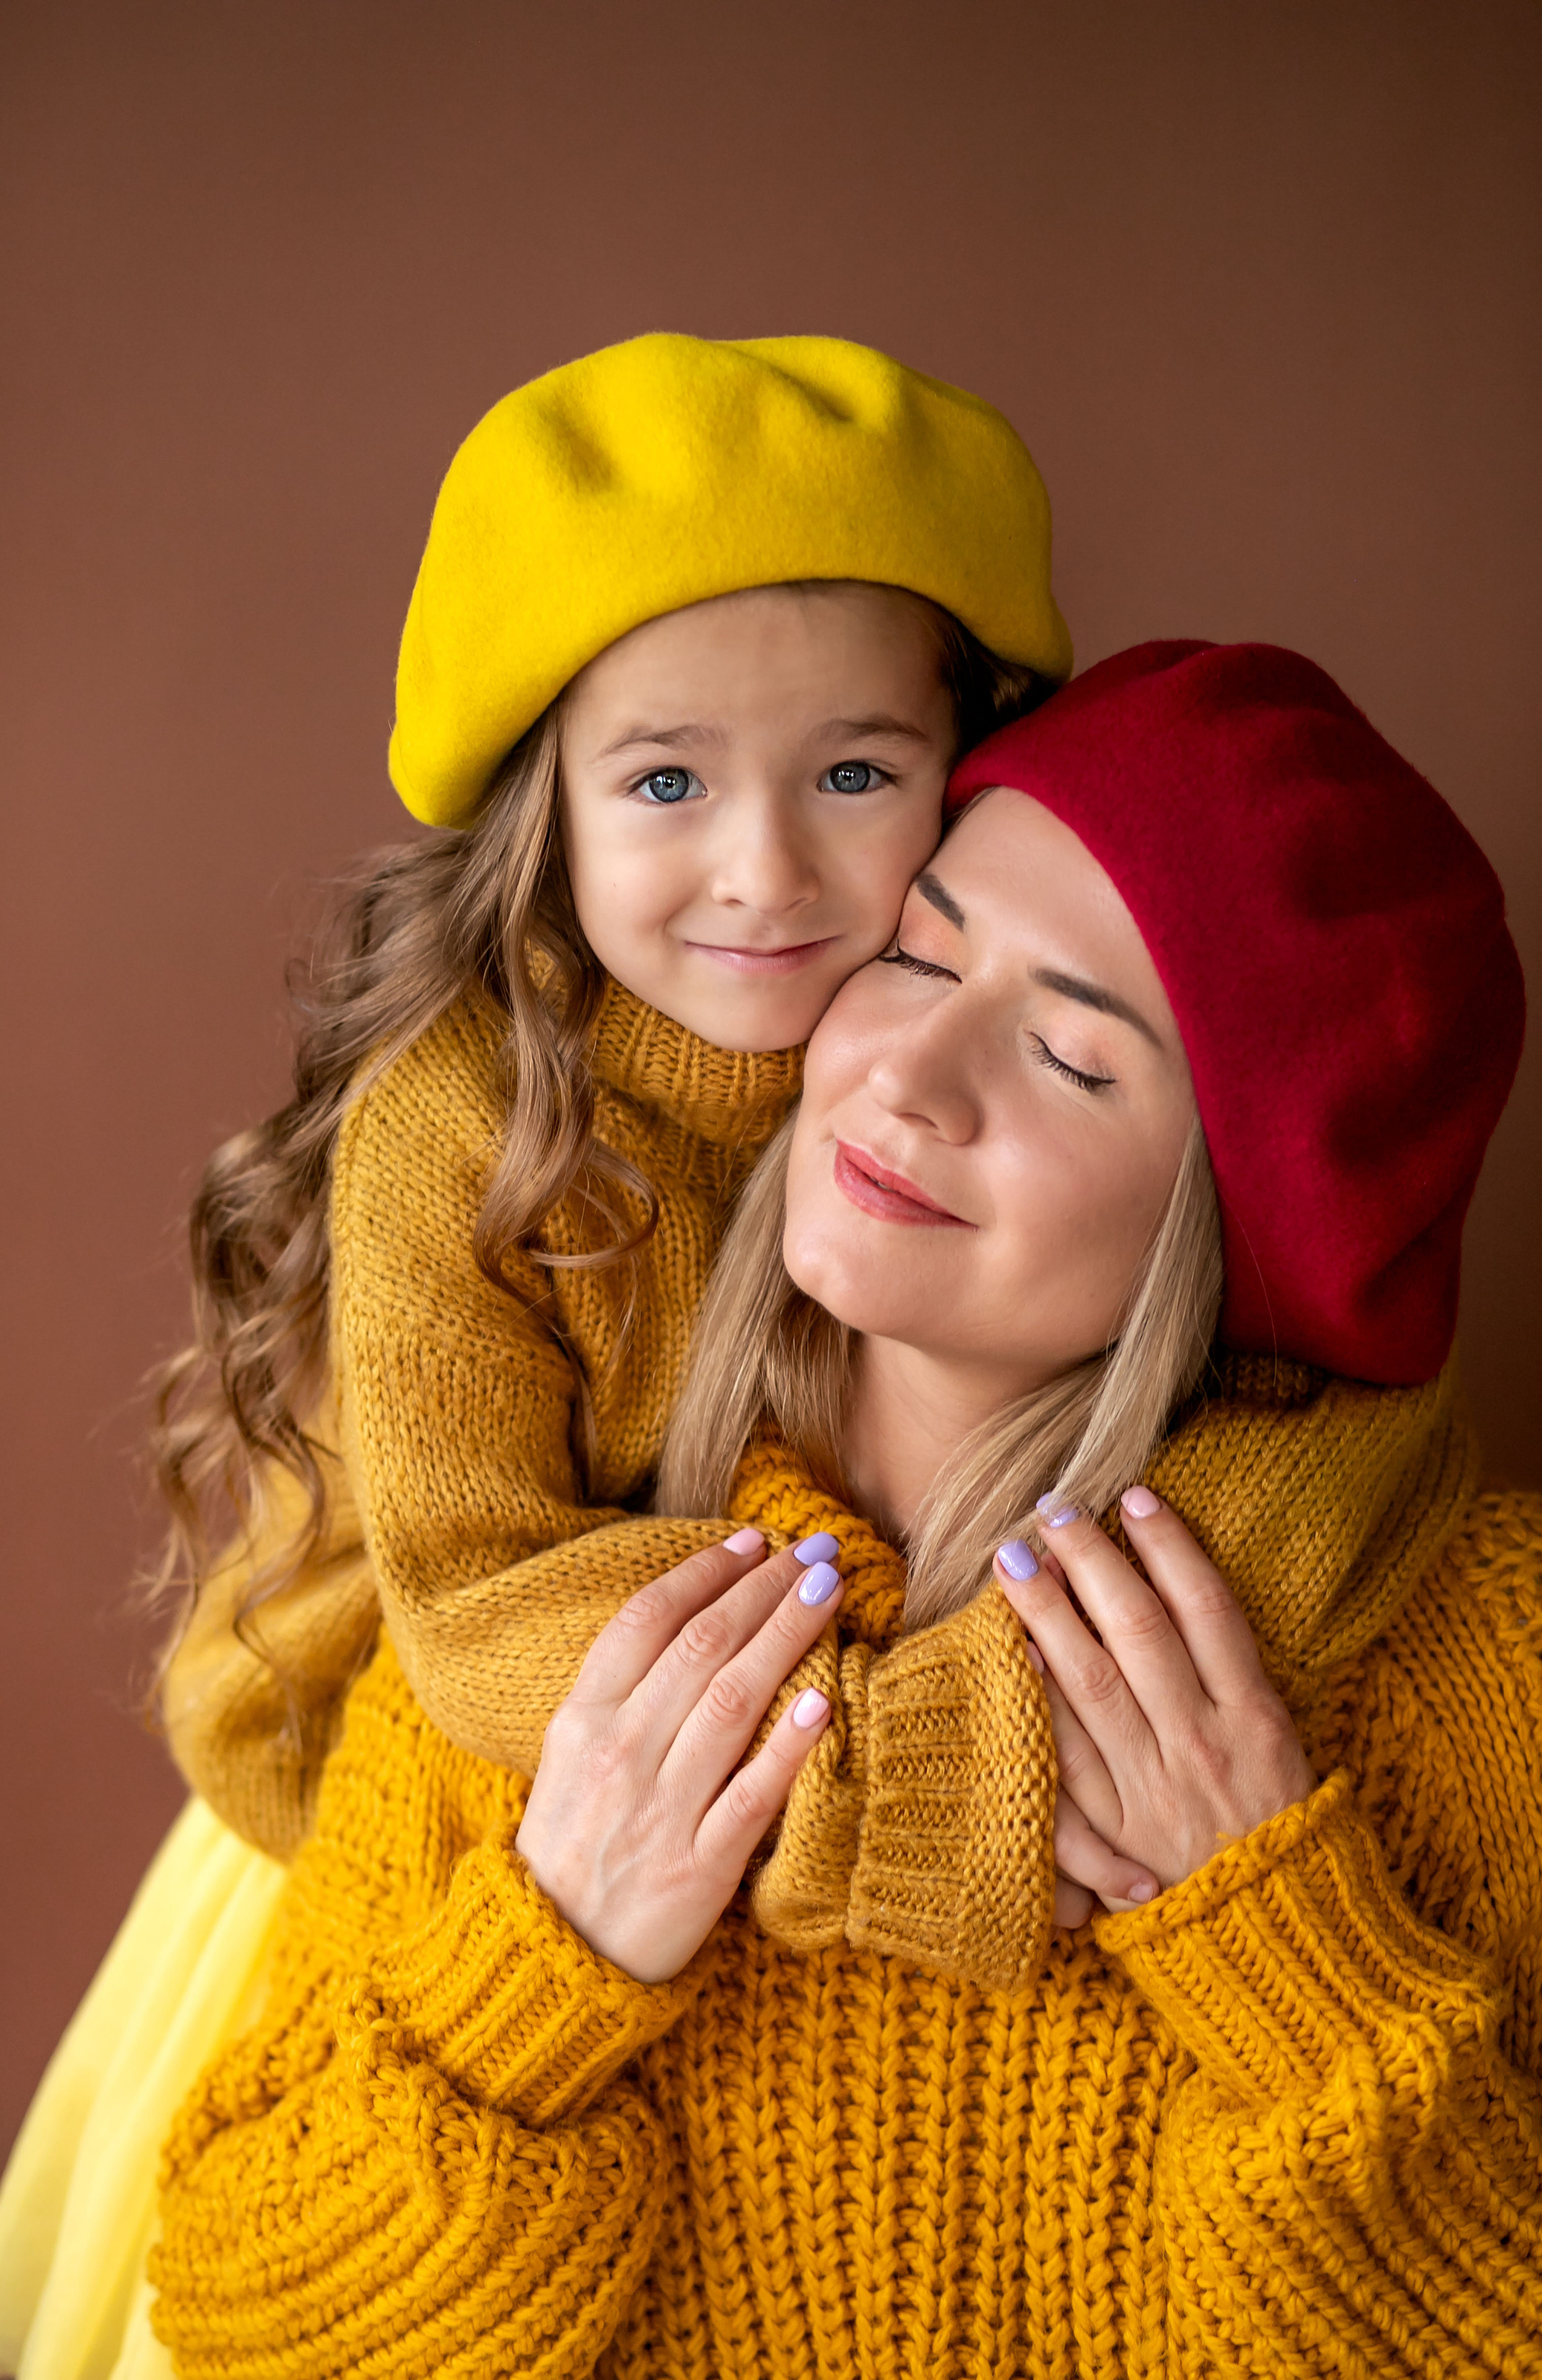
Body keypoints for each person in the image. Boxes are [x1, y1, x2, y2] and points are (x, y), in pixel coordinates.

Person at [148, 643, 1542, 2375]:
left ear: (1248, 1221)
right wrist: (545, 1969)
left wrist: (1289, 1961)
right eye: (918, 951)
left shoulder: (1502, 1665)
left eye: (1069, 1058)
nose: (907, 1075)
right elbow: (236, 2317)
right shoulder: (572, 1610)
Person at [0, 330, 1088, 2380]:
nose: (766, 869)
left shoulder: (979, 1076)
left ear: (971, 760)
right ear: (546, 802)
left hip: (747, 1778)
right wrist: (897, 1746)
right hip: (478, 1782)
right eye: (667, 781)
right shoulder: (475, 1125)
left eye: (854, 770)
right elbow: (482, 1589)